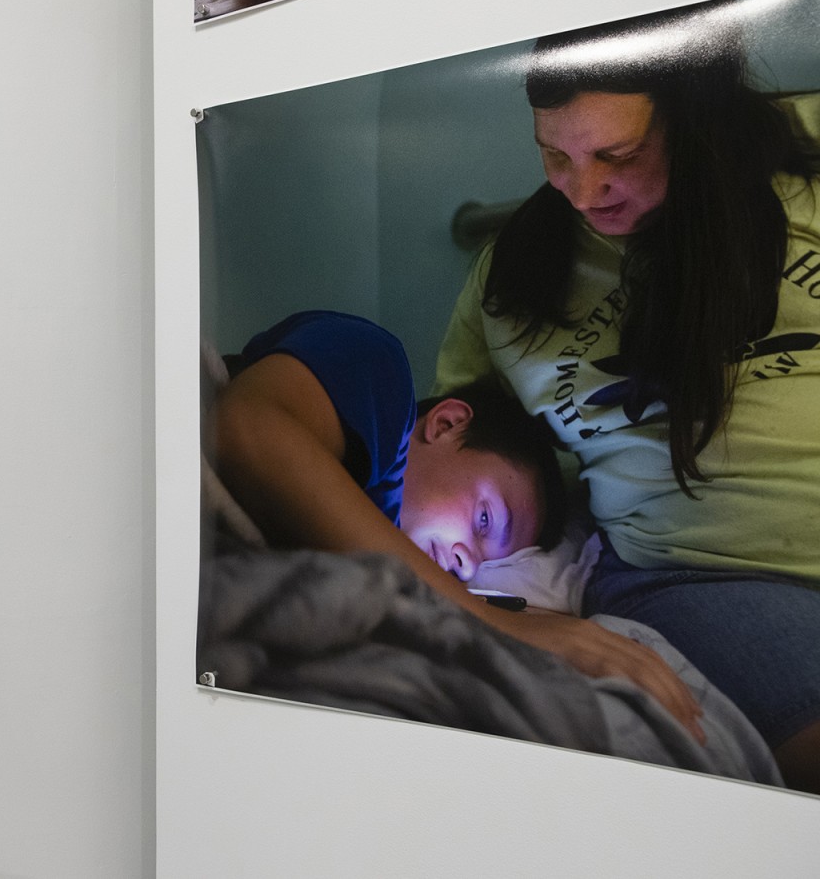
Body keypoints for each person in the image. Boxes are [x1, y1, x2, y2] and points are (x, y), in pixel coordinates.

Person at [433, 0, 820, 790]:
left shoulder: (800, 156)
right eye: (555, 158)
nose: (584, 192)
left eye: (621, 154)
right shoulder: (512, 282)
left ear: (689, 120)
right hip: (706, 574)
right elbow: (468, 455)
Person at [210, 309, 706, 739]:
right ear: (447, 424)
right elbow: (248, 430)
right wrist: (495, 623)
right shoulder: (378, 368)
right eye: (485, 519)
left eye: (483, 561)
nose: (466, 565)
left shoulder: (372, 555)